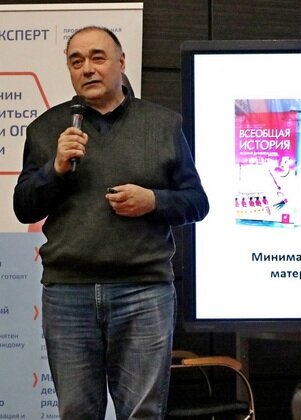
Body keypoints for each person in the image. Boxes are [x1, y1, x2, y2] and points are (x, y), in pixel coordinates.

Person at [13, 26, 209, 419]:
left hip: (143, 291)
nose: (87, 68)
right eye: (76, 61)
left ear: (121, 62)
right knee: (76, 411)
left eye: (97, 58)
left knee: (142, 413)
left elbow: (197, 203)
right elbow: (24, 207)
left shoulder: (163, 124)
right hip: (68, 294)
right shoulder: (46, 129)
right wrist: (55, 169)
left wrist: (153, 201)